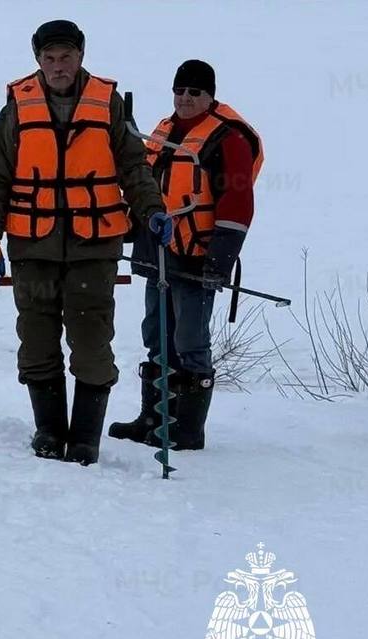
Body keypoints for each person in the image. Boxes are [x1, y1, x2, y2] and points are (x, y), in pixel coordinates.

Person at [0, 19, 168, 465]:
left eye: (66, 57)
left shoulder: (107, 104)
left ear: (81, 56)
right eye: (50, 58)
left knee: (92, 342)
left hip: (93, 247)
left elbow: (134, 167)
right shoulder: (17, 108)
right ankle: (48, 432)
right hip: (32, 246)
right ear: (38, 60)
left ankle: (84, 439)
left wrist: (152, 210)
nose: (58, 66)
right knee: (36, 341)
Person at [109, 59, 263, 450]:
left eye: (195, 92)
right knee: (156, 335)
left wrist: (219, 261)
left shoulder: (227, 138)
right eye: (179, 91)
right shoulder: (163, 131)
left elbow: (238, 201)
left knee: (190, 340)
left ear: (210, 96)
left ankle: (188, 429)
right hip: (159, 253)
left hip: (198, 258)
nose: (185, 98)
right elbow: (143, 184)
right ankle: (154, 418)